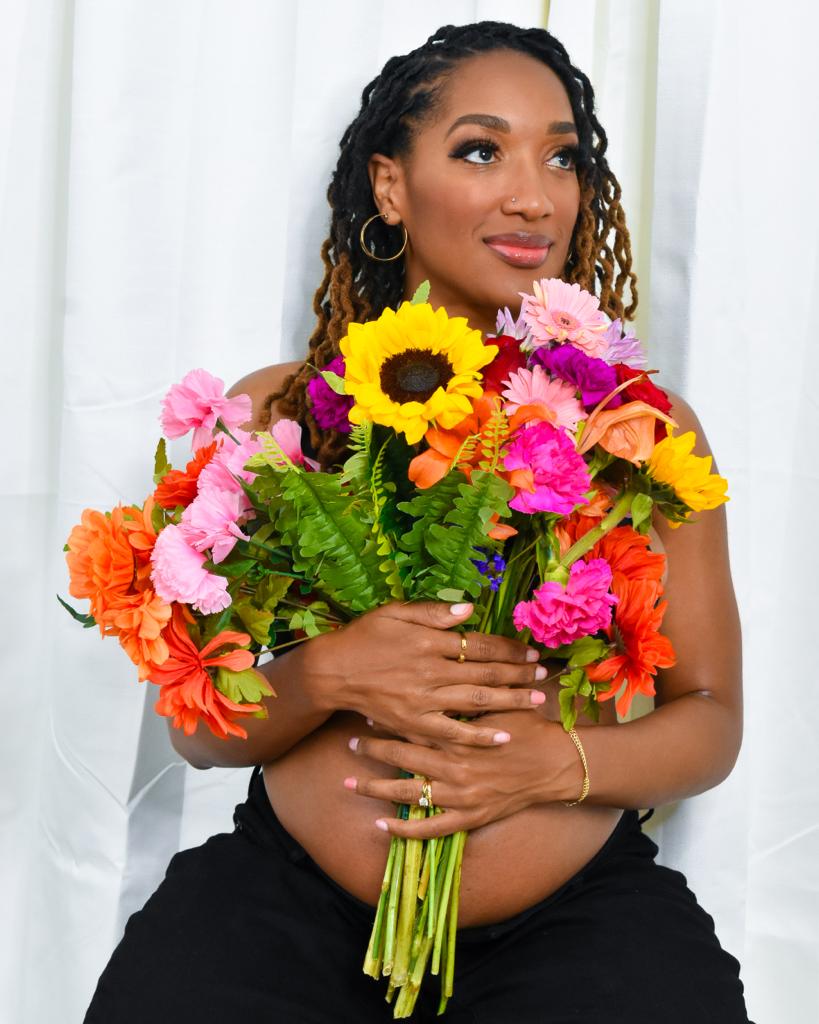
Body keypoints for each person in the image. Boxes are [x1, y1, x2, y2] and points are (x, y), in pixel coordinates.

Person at [84, 20, 752, 1024]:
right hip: (286, 907)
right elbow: (197, 731)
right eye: (481, 150)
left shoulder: (634, 432)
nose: (535, 197)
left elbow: (709, 716)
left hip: (573, 922)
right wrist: (327, 674)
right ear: (391, 187)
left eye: (561, 157)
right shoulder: (281, 415)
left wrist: (551, 767)